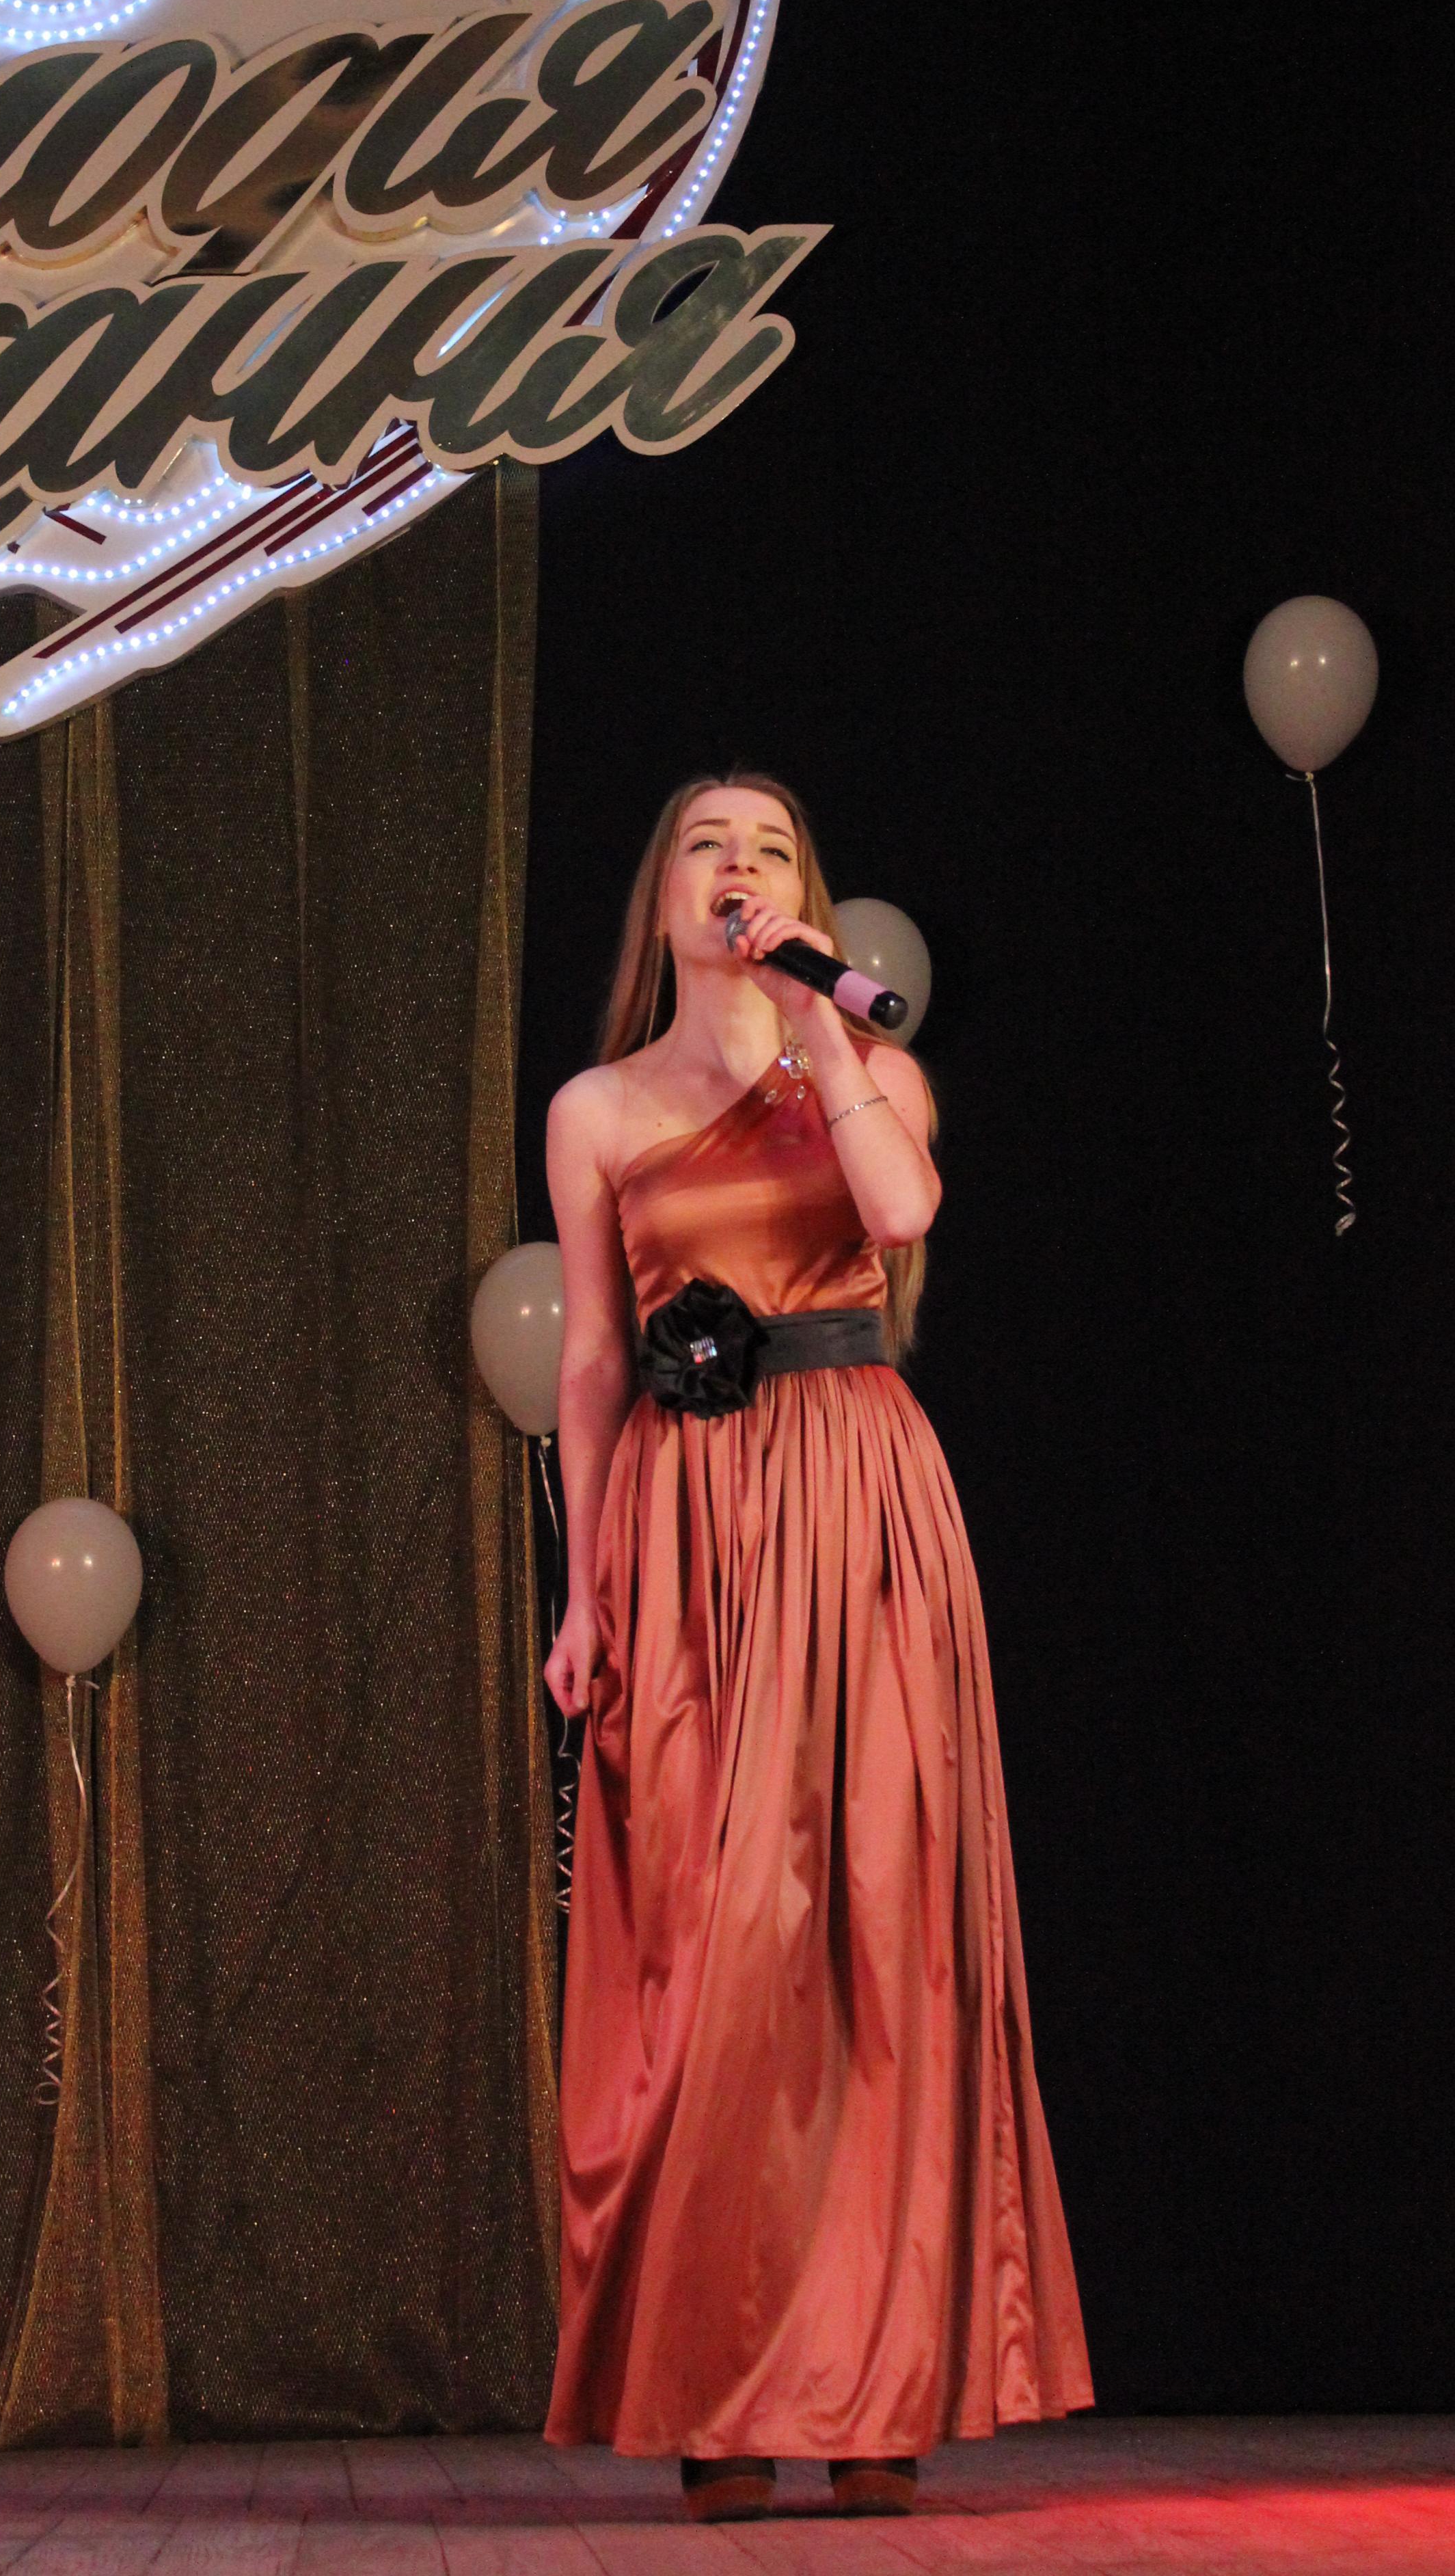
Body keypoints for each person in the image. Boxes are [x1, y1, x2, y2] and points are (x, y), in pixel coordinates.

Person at [540, 776, 1090, 2523]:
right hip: (690, 1526)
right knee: (715, 1957)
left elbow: (901, 1215)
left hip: (859, 1507)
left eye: (769, 850)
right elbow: (591, 1362)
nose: (738, 868)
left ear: (805, 897)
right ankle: (718, 2380)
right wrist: (586, 1589)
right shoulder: (598, 1109)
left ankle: (876, 2384)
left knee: (876, 1936)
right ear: (662, 898)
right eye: (709, 845)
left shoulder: (869, 1069)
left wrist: (823, 1027)